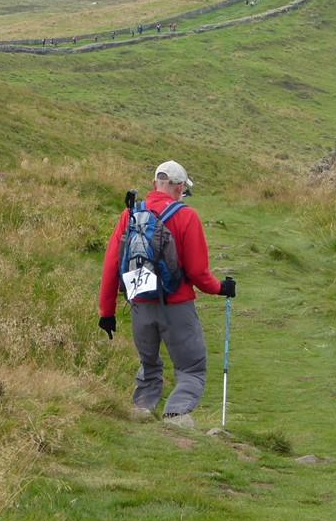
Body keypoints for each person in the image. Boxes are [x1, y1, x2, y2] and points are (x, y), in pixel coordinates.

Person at [98, 160, 236, 428]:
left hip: (140, 306)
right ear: (180, 187)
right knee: (191, 369)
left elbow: (111, 265)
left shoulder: (130, 215)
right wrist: (221, 288)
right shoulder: (186, 216)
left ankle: (140, 414)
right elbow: (198, 272)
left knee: (149, 366)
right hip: (176, 307)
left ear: (154, 185)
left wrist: (107, 312)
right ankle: (176, 418)